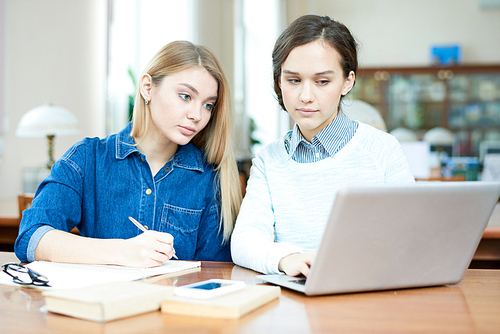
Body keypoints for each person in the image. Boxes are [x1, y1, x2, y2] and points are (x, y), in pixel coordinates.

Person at [15, 41, 242, 266]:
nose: (197, 115)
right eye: (185, 96)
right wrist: (122, 252)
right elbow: (31, 238)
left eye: (208, 105)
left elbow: (214, 274)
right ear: (147, 87)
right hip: (102, 300)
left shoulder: (209, 177)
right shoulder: (87, 159)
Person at [231, 15, 414, 277]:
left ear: (347, 82)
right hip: (295, 297)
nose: (306, 96)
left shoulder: (383, 149)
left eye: (322, 81)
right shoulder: (268, 160)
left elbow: (411, 235)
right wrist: (288, 259)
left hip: (369, 294)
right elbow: (245, 241)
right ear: (279, 81)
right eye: (293, 80)